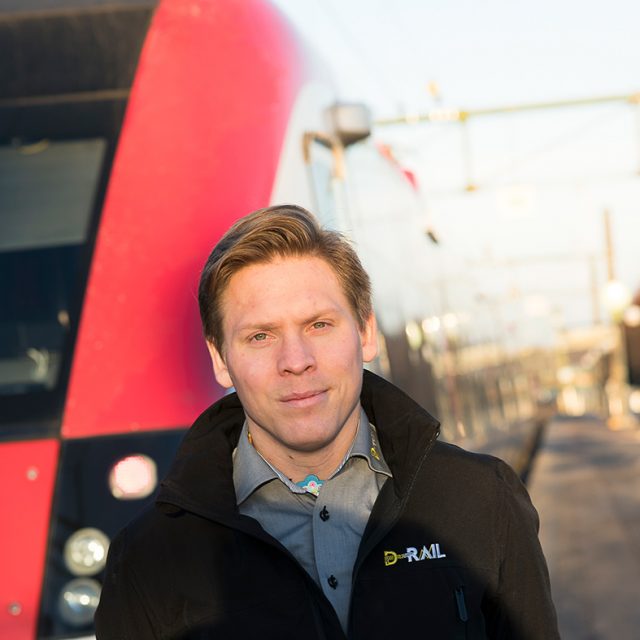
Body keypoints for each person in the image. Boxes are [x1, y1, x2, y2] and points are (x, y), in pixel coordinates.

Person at [95, 204, 559, 639]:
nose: (296, 360)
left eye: (318, 325)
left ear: (365, 332)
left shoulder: (482, 498)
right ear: (220, 359)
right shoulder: (148, 561)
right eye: (260, 336)